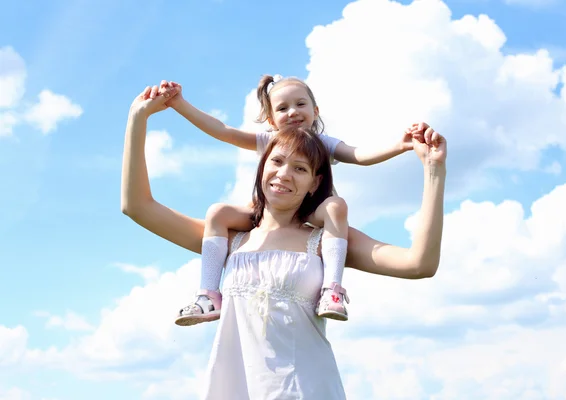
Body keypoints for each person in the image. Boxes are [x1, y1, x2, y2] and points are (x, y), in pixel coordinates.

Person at [121, 84, 447, 399]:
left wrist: (434, 171)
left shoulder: (325, 240)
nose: (284, 174)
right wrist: (139, 118)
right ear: (262, 165)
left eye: (300, 168)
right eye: (276, 162)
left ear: (315, 182)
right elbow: (137, 207)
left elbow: (419, 264)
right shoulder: (229, 240)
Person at [156, 75, 415, 326]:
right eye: (282, 108)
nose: (293, 112)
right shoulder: (270, 140)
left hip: (310, 211)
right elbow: (223, 131)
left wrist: (399, 146)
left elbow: (358, 155)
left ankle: (331, 290)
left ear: (315, 110)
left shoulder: (323, 143)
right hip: (267, 211)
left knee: (336, 206)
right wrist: (179, 104)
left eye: (300, 104)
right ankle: (209, 296)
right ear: (271, 119)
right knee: (218, 212)